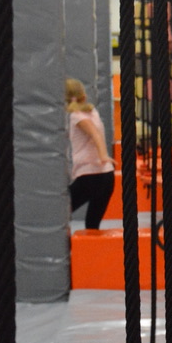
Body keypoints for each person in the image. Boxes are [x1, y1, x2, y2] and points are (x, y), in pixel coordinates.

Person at [66, 78, 116, 230]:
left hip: (90, 177)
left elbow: (95, 134)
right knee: (92, 225)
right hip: (107, 177)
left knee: (57, 214)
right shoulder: (92, 112)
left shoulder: (76, 116)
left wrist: (103, 155)